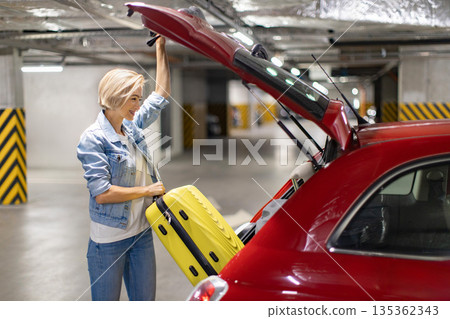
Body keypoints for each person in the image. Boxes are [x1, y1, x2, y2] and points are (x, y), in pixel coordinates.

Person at [76, 36, 170, 301]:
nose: (138, 106)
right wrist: (146, 190)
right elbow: (102, 194)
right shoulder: (93, 138)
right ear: (115, 96)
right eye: (133, 99)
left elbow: (161, 95)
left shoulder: (131, 128)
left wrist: (161, 47)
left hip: (141, 235)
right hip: (108, 241)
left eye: (139, 99)